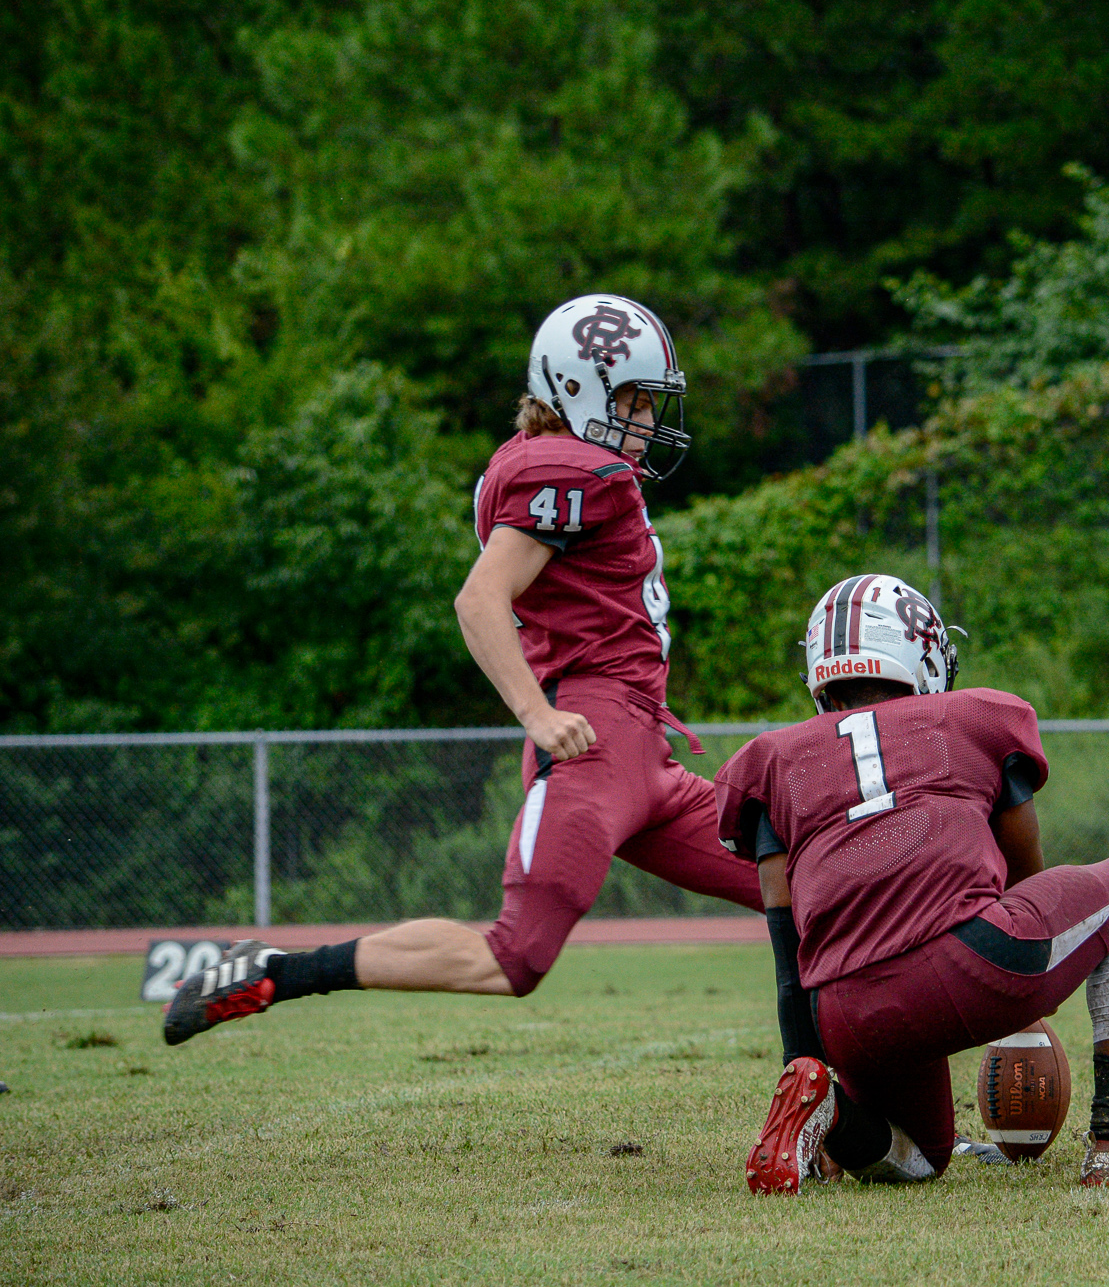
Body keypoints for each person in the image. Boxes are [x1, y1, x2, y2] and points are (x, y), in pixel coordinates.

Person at [163, 294, 762, 1045]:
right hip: (593, 745)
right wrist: (537, 717)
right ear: (579, 391)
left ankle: (834, 1107)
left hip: (645, 754)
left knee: (801, 886)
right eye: (635, 403)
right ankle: (275, 971)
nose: (646, 422)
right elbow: (479, 599)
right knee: (514, 955)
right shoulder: (572, 470)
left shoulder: (566, 468)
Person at [717, 574, 1109, 1191]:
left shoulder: (772, 762)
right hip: (978, 961)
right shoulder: (972, 718)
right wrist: (1022, 996)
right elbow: (1031, 881)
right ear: (922, 651)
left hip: (844, 1006)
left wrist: (805, 1059)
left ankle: (830, 1114)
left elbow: (789, 957)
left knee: (919, 1158)